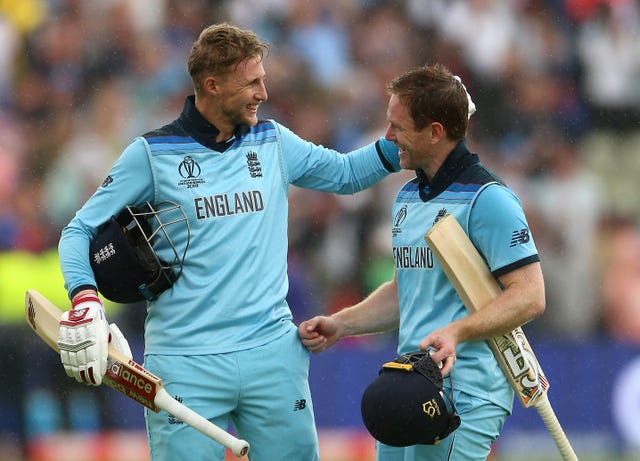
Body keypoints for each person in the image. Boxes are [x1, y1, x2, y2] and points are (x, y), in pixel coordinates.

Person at [55, 22, 400, 461]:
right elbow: (78, 231)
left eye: (263, 80)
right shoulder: (151, 154)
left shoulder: (273, 140)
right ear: (212, 85)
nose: (264, 93)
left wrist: (402, 141)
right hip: (185, 363)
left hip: (273, 357)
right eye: (252, 82)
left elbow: (348, 174)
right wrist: (85, 300)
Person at [298, 63, 546, 461]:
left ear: (435, 132)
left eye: (398, 127)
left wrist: (458, 332)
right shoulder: (408, 197)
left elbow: (530, 296)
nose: (389, 137)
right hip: (411, 383)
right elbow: (405, 291)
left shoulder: (490, 200)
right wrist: (342, 323)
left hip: (467, 390)